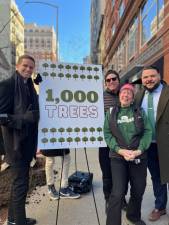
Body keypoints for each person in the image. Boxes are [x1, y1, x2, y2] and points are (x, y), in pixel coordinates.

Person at [104, 83, 152, 225]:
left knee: (138, 189)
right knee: (117, 192)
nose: (125, 95)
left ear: (132, 98)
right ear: (119, 96)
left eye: (129, 93)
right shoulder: (111, 112)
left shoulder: (139, 111)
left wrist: (139, 150)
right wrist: (120, 150)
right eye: (123, 93)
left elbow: (148, 131)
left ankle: (133, 216)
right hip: (118, 157)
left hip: (138, 156)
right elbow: (107, 133)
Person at [0, 55, 39, 225]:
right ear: (17, 66)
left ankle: (12, 219)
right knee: (20, 186)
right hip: (15, 146)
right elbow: (1, 116)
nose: (28, 70)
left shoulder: (28, 85)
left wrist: (41, 85)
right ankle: (20, 222)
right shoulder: (8, 85)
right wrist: (24, 119)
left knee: (18, 185)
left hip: (26, 145)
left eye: (31, 67)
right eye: (25, 66)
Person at [135, 65, 169, 221]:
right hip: (149, 145)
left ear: (159, 75)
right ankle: (160, 207)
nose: (148, 79)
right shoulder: (139, 95)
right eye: (145, 77)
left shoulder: (167, 92)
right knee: (157, 177)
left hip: (167, 143)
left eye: (152, 76)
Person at [99, 69, 127, 212]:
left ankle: (121, 200)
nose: (111, 82)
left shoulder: (125, 95)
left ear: (118, 79)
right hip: (105, 143)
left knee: (122, 174)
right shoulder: (100, 98)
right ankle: (109, 200)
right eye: (108, 80)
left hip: (123, 143)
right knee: (107, 173)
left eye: (113, 79)